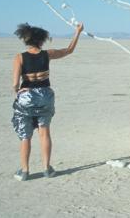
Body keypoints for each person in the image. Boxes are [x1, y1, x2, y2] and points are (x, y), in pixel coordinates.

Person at [11, 22, 84, 181]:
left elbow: (15, 83)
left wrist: (18, 91)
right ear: (41, 41)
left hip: (27, 97)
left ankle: (24, 171)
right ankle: (46, 169)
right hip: (45, 96)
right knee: (44, 133)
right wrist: (77, 32)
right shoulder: (47, 54)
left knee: (25, 135)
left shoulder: (19, 57)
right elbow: (69, 50)